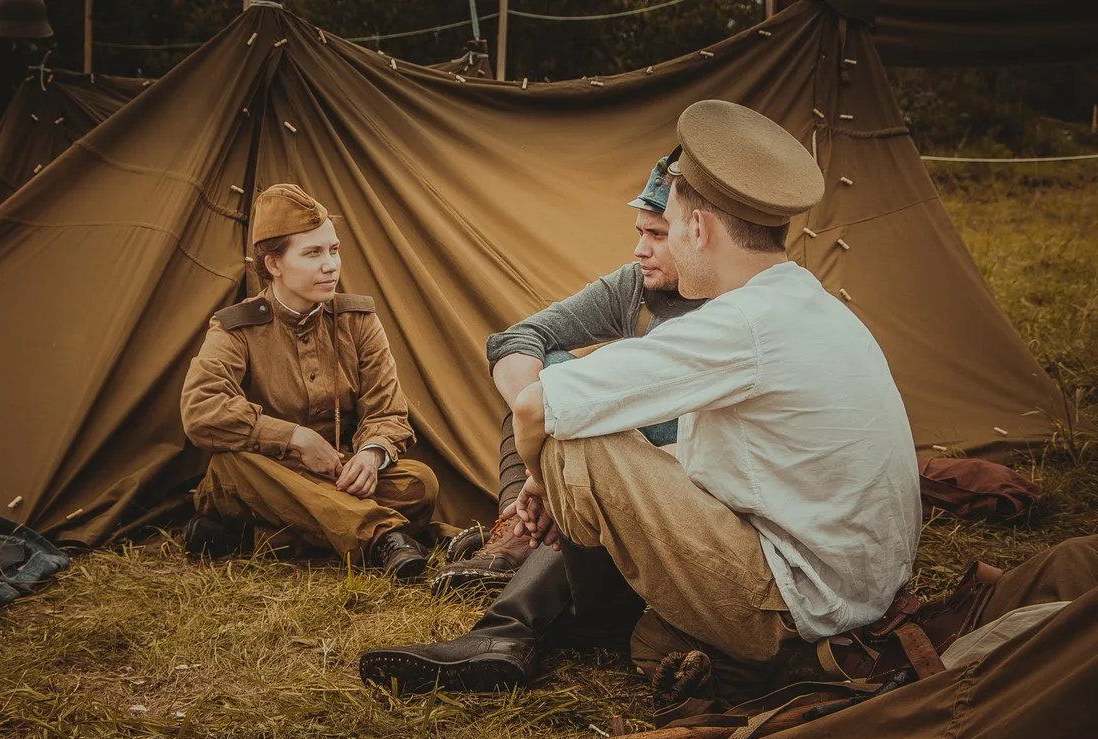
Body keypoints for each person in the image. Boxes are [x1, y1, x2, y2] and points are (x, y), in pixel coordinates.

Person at [360, 100, 922, 695]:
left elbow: (535, 407)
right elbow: (727, 464)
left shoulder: (742, 323)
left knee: (577, 441)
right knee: (651, 641)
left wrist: (540, 477)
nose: (660, 244)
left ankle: (518, 627)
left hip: (803, 601)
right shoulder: (805, 301)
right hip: (857, 588)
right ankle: (553, 622)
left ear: (699, 229)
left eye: (671, 227)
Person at [430, 153, 706, 597]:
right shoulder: (636, 284)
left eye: (658, 234)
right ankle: (520, 530)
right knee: (543, 381)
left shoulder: (735, 309)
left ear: (698, 233)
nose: (640, 249)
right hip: (597, 449)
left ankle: (527, 536)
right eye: (640, 233)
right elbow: (518, 338)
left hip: (674, 474)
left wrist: (551, 430)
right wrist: (539, 420)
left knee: (560, 399)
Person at [180, 183, 437, 580]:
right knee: (233, 465)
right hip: (262, 476)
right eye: (313, 253)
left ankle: (250, 541)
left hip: (332, 477)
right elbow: (201, 411)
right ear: (273, 264)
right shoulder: (235, 329)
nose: (331, 265)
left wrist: (370, 455)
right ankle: (383, 535)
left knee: (420, 483)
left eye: (333, 249)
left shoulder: (358, 321)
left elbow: (387, 410)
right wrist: (294, 438)